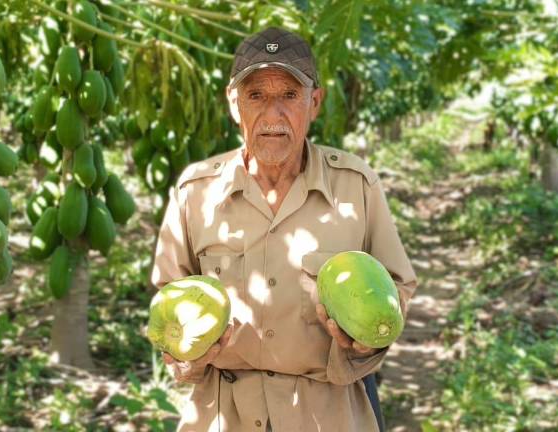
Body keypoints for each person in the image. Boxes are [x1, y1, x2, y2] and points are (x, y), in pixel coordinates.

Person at [151, 26, 417, 432]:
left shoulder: (356, 186)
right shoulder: (195, 191)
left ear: (314, 103)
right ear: (233, 103)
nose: (272, 114)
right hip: (224, 415)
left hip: (328, 414)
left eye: (289, 96)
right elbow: (169, 297)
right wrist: (184, 356)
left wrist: (368, 342)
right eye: (256, 95)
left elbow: (397, 286)